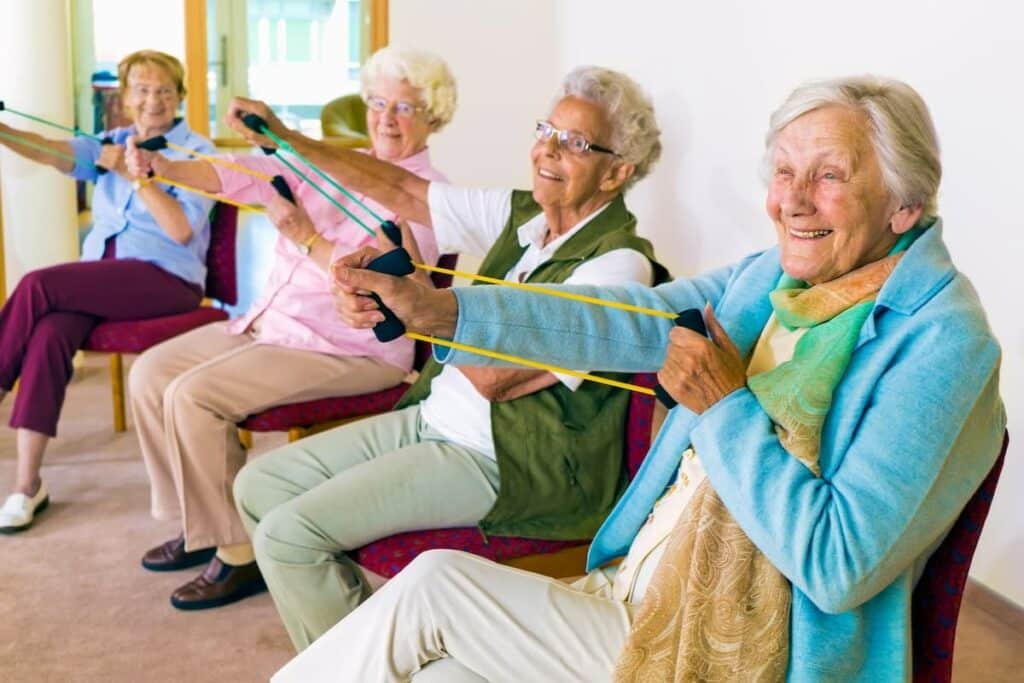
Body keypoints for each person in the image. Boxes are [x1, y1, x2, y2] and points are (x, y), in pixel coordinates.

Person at [282, 75, 1006, 681]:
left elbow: (837, 563)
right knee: (433, 670)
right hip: (643, 591)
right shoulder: (773, 277)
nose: (792, 200)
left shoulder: (944, 342)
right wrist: (442, 312)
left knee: (434, 589)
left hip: (744, 650)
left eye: (830, 175)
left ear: (905, 203)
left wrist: (724, 404)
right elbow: (620, 318)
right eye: (785, 171)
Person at [228, 65, 669, 650]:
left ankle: (354, 662)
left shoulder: (619, 266)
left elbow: (496, 379)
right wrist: (288, 138)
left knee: (289, 537)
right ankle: (370, 647)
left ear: (617, 172)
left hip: (505, 457)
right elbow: (402, 190)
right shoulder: (524, 218)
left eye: (576, 143)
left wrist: (416, 302)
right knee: (258, 485)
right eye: (547, 129)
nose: (548, 149)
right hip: (434, 418)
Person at [120, 46, 454, 611]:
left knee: (193, 396)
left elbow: (382, 286)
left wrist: (302, 234)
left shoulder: (428, 195)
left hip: (347, 348)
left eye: (405, 107)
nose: (387, 118)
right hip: (273, 322)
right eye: (378, 102)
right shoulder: (338, 160)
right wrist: (165, 168)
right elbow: (242, 175)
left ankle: (236, 552)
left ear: (433, 117)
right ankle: (201, 524)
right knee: (151, 373)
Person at [0, 50, 215, 534]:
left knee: (39, 284)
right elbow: (47, 150)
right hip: (106, 281)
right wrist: (3, 131)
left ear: (180, 96)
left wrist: (136, 177)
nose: (153, 100)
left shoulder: (198, 152)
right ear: (125, 98)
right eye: (141, 89)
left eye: (164, 90)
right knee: (51, 331)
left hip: (167, 279)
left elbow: (181, 230)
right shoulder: (110, 142)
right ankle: (26, 484)